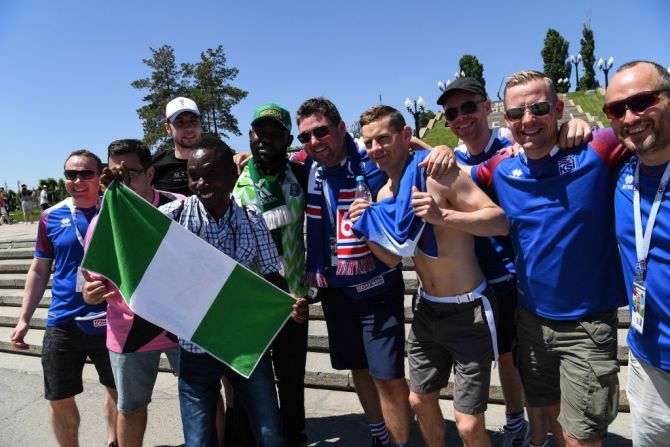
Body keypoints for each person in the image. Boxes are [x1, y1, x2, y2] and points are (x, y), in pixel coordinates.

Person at [470, 70, 629, 447]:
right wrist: (436, 152)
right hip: (531, 321)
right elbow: (459, 177)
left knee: (580, 437)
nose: (528, 120)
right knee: (547, 413)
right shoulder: (502, 168)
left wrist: (583, 124)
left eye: (540, 108)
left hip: (586, 326)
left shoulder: (597, 148)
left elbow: (647, 128)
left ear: (558, 108)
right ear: (505, 120)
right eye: (516, 113)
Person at [435, 77, 594, 446]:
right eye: (452, 113)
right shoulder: (452, 160)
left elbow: (558, 138)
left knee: (513, 359)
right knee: (504, 357)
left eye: (469, 107)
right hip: (472, 278)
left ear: (488, 107)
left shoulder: (514, 143)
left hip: (514, 275)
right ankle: (522, 423)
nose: (461, 118)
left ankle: (520, 424)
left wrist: (575, 125)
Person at [349, 105, 509, 447]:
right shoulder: (383, 196)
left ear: (406, 136)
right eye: (369, 142)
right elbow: (393, 259)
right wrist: (366, 229)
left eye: (383, 138)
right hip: (426, 311)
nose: (376, 148)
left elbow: (498, 221)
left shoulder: (440, 175)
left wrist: (443, 216)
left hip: (470, 312)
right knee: (419, 401)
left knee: (467, 426)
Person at [160, 134, 307, 447]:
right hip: (197, 346)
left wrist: (290, 300)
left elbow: (271, 273)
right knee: (199, 441)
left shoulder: (252, 219)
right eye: (194, 176)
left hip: (245, 345)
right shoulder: (172, 220)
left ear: (231, 174)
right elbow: (128, 228)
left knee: (271, 433)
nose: (201, 183)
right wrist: (113, 193)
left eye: (211, 174)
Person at [9, 150, 118, 447]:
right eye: (71, 174)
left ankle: (114, 442)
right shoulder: (51, 216)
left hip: (112, 318)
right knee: (59, 397)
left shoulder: (115, 211)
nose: (78, 180)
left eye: (86, 173)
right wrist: (23, 319)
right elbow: (39, 269)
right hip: (63, 319)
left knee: (117, 390)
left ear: (100, 175)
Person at [81, 139, 184, 447]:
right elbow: (91, 285)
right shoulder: (101, 223)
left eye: (130, 172)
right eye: (113, 174)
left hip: (183, 323)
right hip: (128, 329)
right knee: (131, 407)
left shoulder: (178, 206)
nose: (121, 181)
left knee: (202, 397)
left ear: (151, 173)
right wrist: (90, 294)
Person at [232, 103, 309, 446]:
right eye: (261, 132)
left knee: (292, 378)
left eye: (275, 133)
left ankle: (294, 435)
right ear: (251, 136)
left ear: (288, 139)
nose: (267, 139)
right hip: (251, 299)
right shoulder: (233, 178)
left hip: (293, 298)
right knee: (252, 377)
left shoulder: (302, 175)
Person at [605, 60, 670, 446]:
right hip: (646, 362)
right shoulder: (621, 171)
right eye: (617, 109)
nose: (630, 117)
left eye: (643, 101)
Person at [152, 96, 203, 196]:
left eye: (193, 121)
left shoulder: (220, 159)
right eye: (180, 122)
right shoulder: (154, 166)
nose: (189, 128)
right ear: (168, 128)